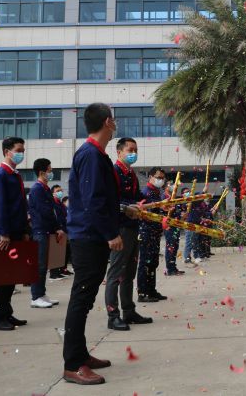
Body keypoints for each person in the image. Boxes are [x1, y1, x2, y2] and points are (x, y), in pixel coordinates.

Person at [63, 103, 139, 385]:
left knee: (84, 299)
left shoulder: (97, 155)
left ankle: (80, 354)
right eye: (114, 119)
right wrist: (111, 233)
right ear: (108, 122)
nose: (115, 124)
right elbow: (92, 201)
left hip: (92, 234)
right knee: (81, 299)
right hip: (87, 237)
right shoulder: (91, 155)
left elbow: (102, 199)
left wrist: (124, 210)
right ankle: (73, 364)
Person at [104, 138, 152, 330]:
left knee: (129, 274)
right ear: (119, 152)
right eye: (130, 150)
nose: (134, 153)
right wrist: (128, 207)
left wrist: (152, 204)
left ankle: (129, 311)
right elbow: (110, 201)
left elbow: (138, 197)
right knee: (115, 274)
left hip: (133, 227)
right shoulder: (114, 172)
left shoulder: (131, 173)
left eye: (135, 150)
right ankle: (113, 316)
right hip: (120, 229)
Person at [0, 137, 29, 331]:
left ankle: (6, 313)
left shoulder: (15, 175)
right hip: (5, 233)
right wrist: (3, 232)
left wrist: (24, 230)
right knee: (1, 277)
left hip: (16, 231)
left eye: (23, 150)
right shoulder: (0, 175)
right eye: (18, 150)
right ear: (7, 152)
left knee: (11, 276)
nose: (21, 154)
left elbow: (20, 205)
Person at [28, 158, 65, 309]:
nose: (51, 172)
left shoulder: (44, 188)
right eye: (49, 170)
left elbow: (51, 211)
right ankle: (36, 296)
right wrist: (56, 227)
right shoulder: (37, 189)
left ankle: (41, 294)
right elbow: (45, 212)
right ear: (42, 172)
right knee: (39, 265)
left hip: (46, 230)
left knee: (43, 265)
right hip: (40, 230)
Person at [137, 167, 170, 302]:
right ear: (150, 177)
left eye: (162, 178)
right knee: (145, 262)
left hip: (155, 231)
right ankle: (143, 293)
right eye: (158, 177)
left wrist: (164, 211)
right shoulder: (145, 192)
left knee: (153, 262)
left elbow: (158, 210)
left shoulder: (157, 192)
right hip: (146, 231)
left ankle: (151, 290)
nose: (160, 180)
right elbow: (142, 211)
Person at [49, 184, 71, 280]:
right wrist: (57, 228)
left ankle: (60, 270)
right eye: (58, 191)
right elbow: (55, 217)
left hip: (63, 229)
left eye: (61, 190)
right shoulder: (52, 203)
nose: (60, 192)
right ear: (53, 193)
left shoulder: (61, 204)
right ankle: (53, 274)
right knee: (55, 252)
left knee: (61, 252)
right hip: (56, 230)